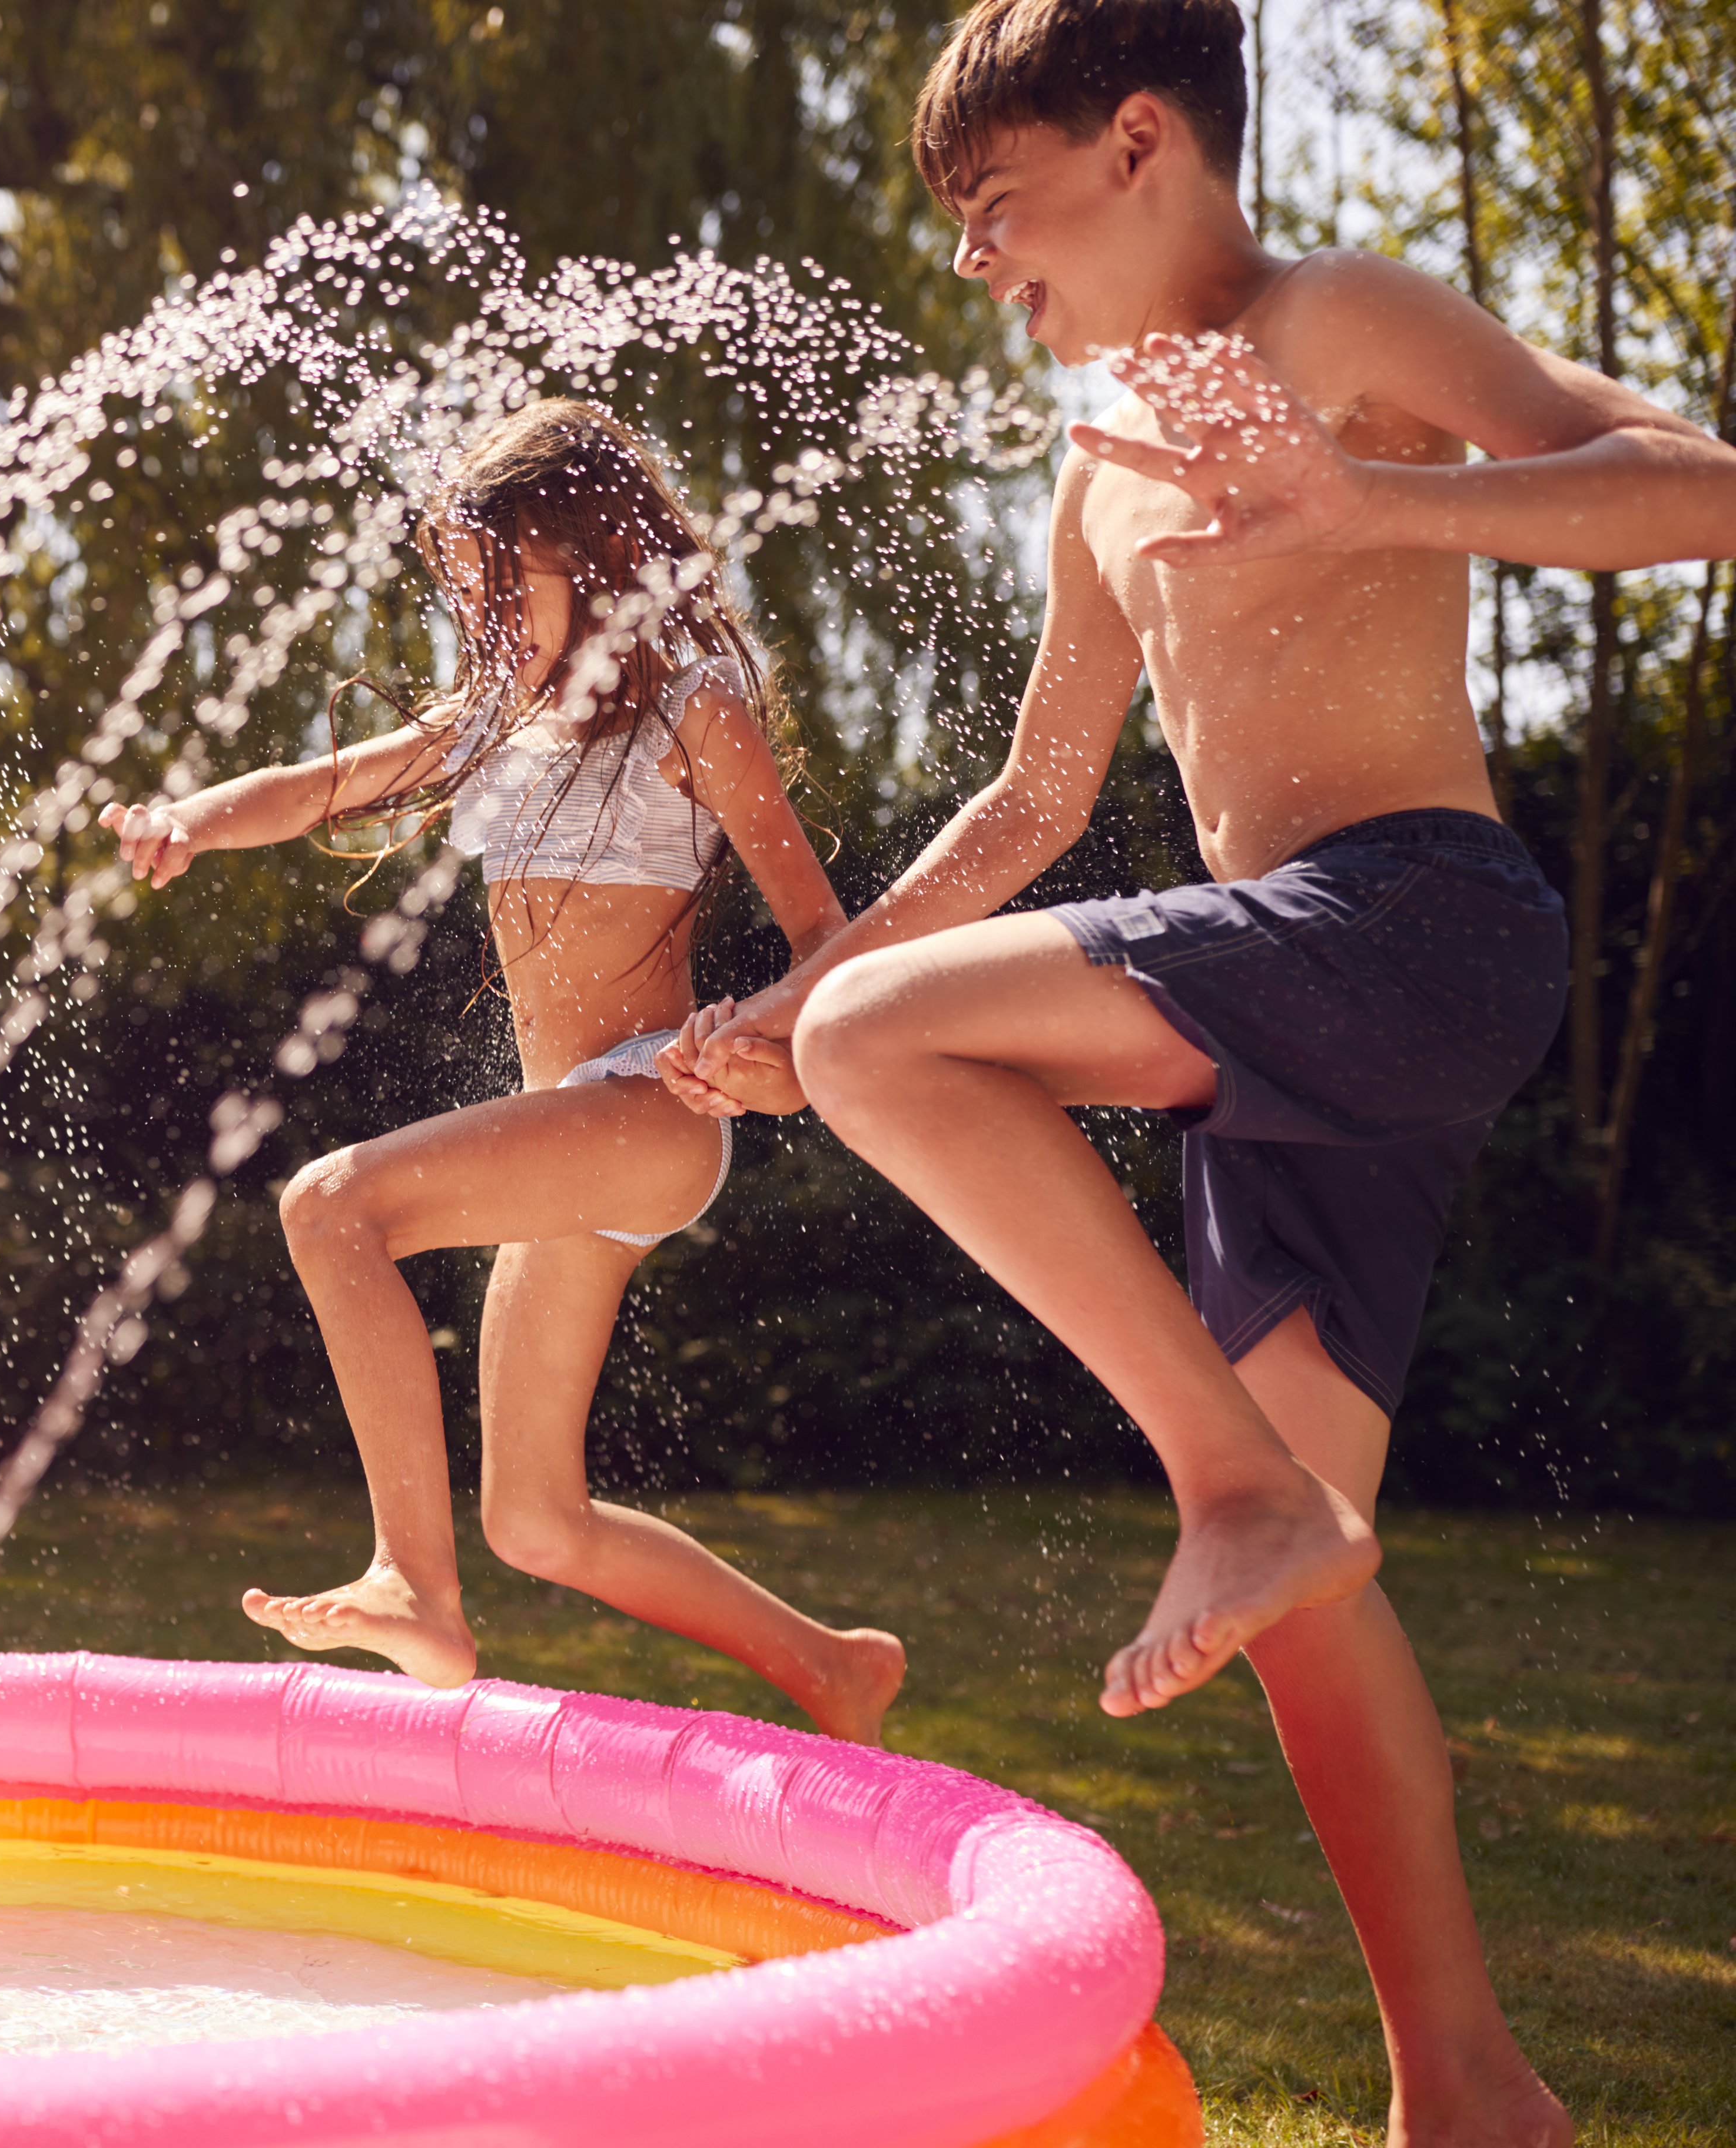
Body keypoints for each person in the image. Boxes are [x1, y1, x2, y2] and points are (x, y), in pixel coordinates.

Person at [670, 0, 1736, 2136]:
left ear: (1140, 139)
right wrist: (802, 995)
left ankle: (1235, 1496)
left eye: (995, 206)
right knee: (1303, 1582)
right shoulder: (1097, 467)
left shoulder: (1332, 314)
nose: (978, 263)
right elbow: (1029, 801)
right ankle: (1471, 2085)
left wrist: (1370, 506)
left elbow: (1698, 491)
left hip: (1416, 925)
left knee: (920, 1063)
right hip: (1313, 1015)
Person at [101, 397, 907, 1743]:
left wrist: (753, 1027)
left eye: (500, 591)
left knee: (332, 1208)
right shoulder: (504, 717)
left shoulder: (693, 705)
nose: (482, 627)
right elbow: (315, 786)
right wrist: (191, 819)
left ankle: (411, 1583)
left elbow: (827, 933)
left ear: (590, 559)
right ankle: (832, 1666)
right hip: (574, 1128)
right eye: (463, 600)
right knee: (537, 1516)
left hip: (652, 1101)